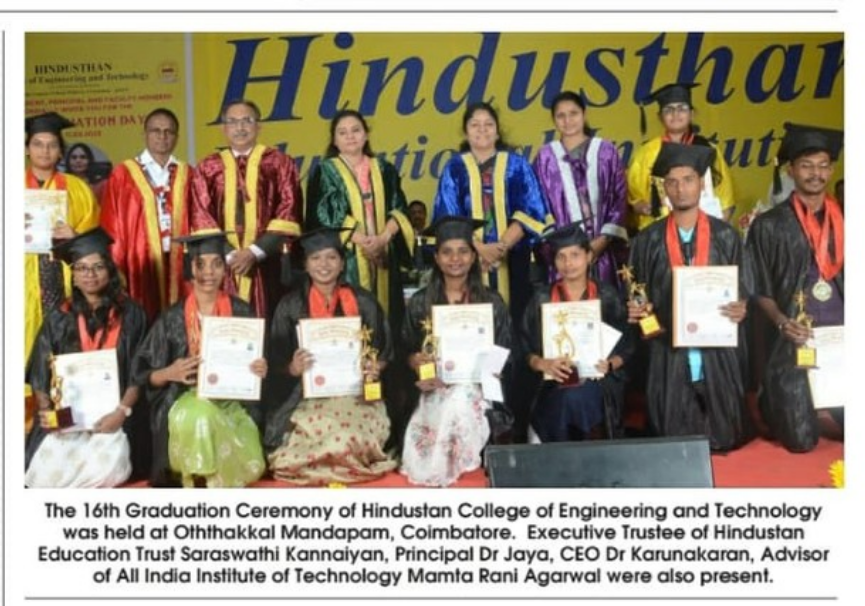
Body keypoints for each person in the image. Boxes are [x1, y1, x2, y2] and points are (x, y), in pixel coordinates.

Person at [628, 143, 754, 452]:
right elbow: (636, 291)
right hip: (667, 345)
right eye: (672, 182)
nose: (680, 189)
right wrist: (640, 312)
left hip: (716, 347)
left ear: (701, 184)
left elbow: (745, 288)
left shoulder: (726, 236)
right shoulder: (648, 240)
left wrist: (742, 307)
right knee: (671, 439)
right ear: (664, 189)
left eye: (688, 180)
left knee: (725, 435)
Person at [133, 232, 267, 487]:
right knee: (202, 416)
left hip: (233, 397)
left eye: (216, 264)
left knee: (219, 419)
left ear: (225, 269)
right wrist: (169, 373)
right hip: (185, 396)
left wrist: (260, 368)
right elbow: (142, 374)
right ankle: (200, 479)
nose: (209, 272)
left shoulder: (242, 311)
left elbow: (259, 365)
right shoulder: (172, 317)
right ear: (190, 268)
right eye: (200, 264)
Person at [265, 227, 397, 485]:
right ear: (305, 264)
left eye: (331, 257)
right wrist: (292, 368)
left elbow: (384, 351)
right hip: (305, 395)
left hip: (356, 393)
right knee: (309, 440)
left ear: (342, 263)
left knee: (347, 437)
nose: (323, 265)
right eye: (315, 258)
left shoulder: (364, 301)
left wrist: (375, 367)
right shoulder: (290, 305)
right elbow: (275, 362)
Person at [25, 228, 148, 487]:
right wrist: (47, 410)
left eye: (97, 267)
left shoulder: (131, 314)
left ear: (109, 271)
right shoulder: (59, 316)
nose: (89, 275)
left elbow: (140, 371)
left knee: (106, 466)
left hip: (116, 415)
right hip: (70, 417)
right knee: (46, 471)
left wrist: (121, 413)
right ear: (74, 275)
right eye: (81, 268)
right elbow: (40, 371)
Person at [747, 123, 844, 452]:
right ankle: (771, 398)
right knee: (801, 441)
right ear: (791, 170)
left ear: (831, 169)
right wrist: (781, 322)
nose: (816, 174)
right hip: (794, 343)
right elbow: (758, 286)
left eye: (822, 165)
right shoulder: (769, 224)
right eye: (806, 166)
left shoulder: (848, 221)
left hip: (843, 343)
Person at [401, 216, 512, 487]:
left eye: (463, 251)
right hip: (435, 385)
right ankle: (441, 467)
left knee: (460, 400)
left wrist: (492, 370)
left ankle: (452, 468)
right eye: (447, 252)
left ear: (473, 257)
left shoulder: (491, 301)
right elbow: (407, 350)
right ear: (436, 258)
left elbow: (505, 349)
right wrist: (416, 363)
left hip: (478, 387)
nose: (455, 259)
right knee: (442, 403)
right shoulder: (420, 302)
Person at [432, 102, 549, 321]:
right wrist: (480, 249)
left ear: (497, 131)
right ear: (466, 132)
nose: (482, 130)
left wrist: (501, 247)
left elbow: (532, 209)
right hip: (467, 259)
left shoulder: (517, 165)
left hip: (514, 257)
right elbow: (448, 215)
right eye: (475, 125)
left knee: (517, 316)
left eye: (488, 124)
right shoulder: (454, 168)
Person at [520, 223, 634, 442]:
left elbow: (628, 344)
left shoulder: (607, 296)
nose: (568, 263)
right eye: (561, 257)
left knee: (576, 397)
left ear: (589, 256)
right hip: (552, 381)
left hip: (598, 382)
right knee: (565, 396)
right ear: (554, 261)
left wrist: (610, 364)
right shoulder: (542, 299)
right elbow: (523, 347)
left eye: (575, 255)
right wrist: (541, 363)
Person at [189, 99, 303, 318]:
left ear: (259, 125)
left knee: (269, 320)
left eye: (246, 121)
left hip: (267, 262)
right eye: (232, 122)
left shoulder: (280, 163)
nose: (240, 127)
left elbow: (288, 210)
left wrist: (254, 252)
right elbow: (201, 215)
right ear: (224, 128)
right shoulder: (208, 167)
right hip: (223, 264)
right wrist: (230, 255)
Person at [305, 109, 415, 327]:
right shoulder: (325, 171)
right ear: (334, 140)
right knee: (350, 313)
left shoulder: (384, 169)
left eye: (356, 130)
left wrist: (382, 239)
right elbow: (322, 216)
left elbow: (399, 209)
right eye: (342, 132)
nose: (350, 136)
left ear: (366, 135)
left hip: (384, 252)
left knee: (388, 315)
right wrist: (363, 242)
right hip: (347, 255)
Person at [25, 112, 101, 370]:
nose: (45, 151)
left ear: (60, 151)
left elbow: (95, 241)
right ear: (27, 149)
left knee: (66, 348)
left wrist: (76, 236)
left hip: (64, 280)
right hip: (21, 283)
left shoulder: (78, 189)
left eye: (52, 145)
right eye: (37, 144)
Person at [100, 108, 191, 321]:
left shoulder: (188, 173)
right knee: (144, 317)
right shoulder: (123, 174)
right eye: (155, 130)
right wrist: (117, 266)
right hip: (141, 261)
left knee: (180, 320)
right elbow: (112, 224)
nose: (162, 136)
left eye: (169, 132)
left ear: (177, 137)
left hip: (178, 261)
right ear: (145, 134)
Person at [532, 91, 628, 288]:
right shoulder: (545, 157)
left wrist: (601, 241)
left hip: (602, 250)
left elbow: (619, 197)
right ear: (553, 120)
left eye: (573, 113)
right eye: (561, 116)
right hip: (563, 257)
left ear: (584, 114)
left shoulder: (606, 151)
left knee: (604, 299)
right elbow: (538, 205)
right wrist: (562, 249)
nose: (568, 121)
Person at [627, 82, 736, 231]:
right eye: (668, 110)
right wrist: (640, 207)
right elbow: (635, 201)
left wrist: (712, 235)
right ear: (660, 117)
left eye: (682, 109)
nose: (675, 114)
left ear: (691, 114)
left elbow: (726, 201)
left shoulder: (708, 150)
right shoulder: (646, 154)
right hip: (659, 236)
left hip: (705, 233)